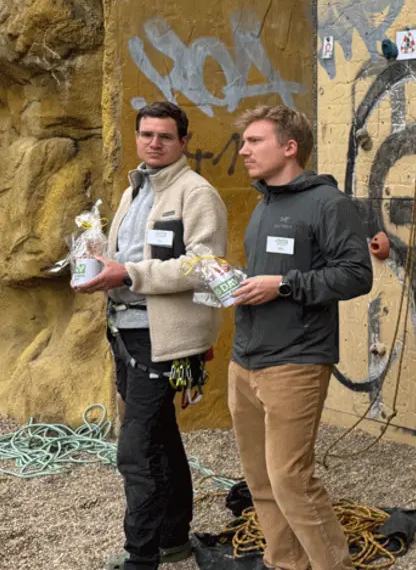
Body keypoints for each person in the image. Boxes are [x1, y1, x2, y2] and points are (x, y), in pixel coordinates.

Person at [74, 101, 229, 570]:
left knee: (136, 449)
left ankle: (140, 558)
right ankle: (173, 539)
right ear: (138, 137)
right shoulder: (134, 189)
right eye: (146, 135)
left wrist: (127, 273)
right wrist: (98, 257)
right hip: (126, 331)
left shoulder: (197, 193)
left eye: (164, 136)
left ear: (183, 141)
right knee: (160, 437)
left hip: (163, 339)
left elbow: (206, 267)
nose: (154, 143)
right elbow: (129, 256)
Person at [228, 104, 373, 570]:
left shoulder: (329, 204)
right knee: (260, 481)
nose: (244, 150)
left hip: (296, 361)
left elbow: (355, 275)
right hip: (245, 359)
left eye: (255, 141)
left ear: (290, 148)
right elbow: (268, 275)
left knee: (291, 479)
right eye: (244, 141)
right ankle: (285, 563)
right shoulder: (264, 202)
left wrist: (285, 284)